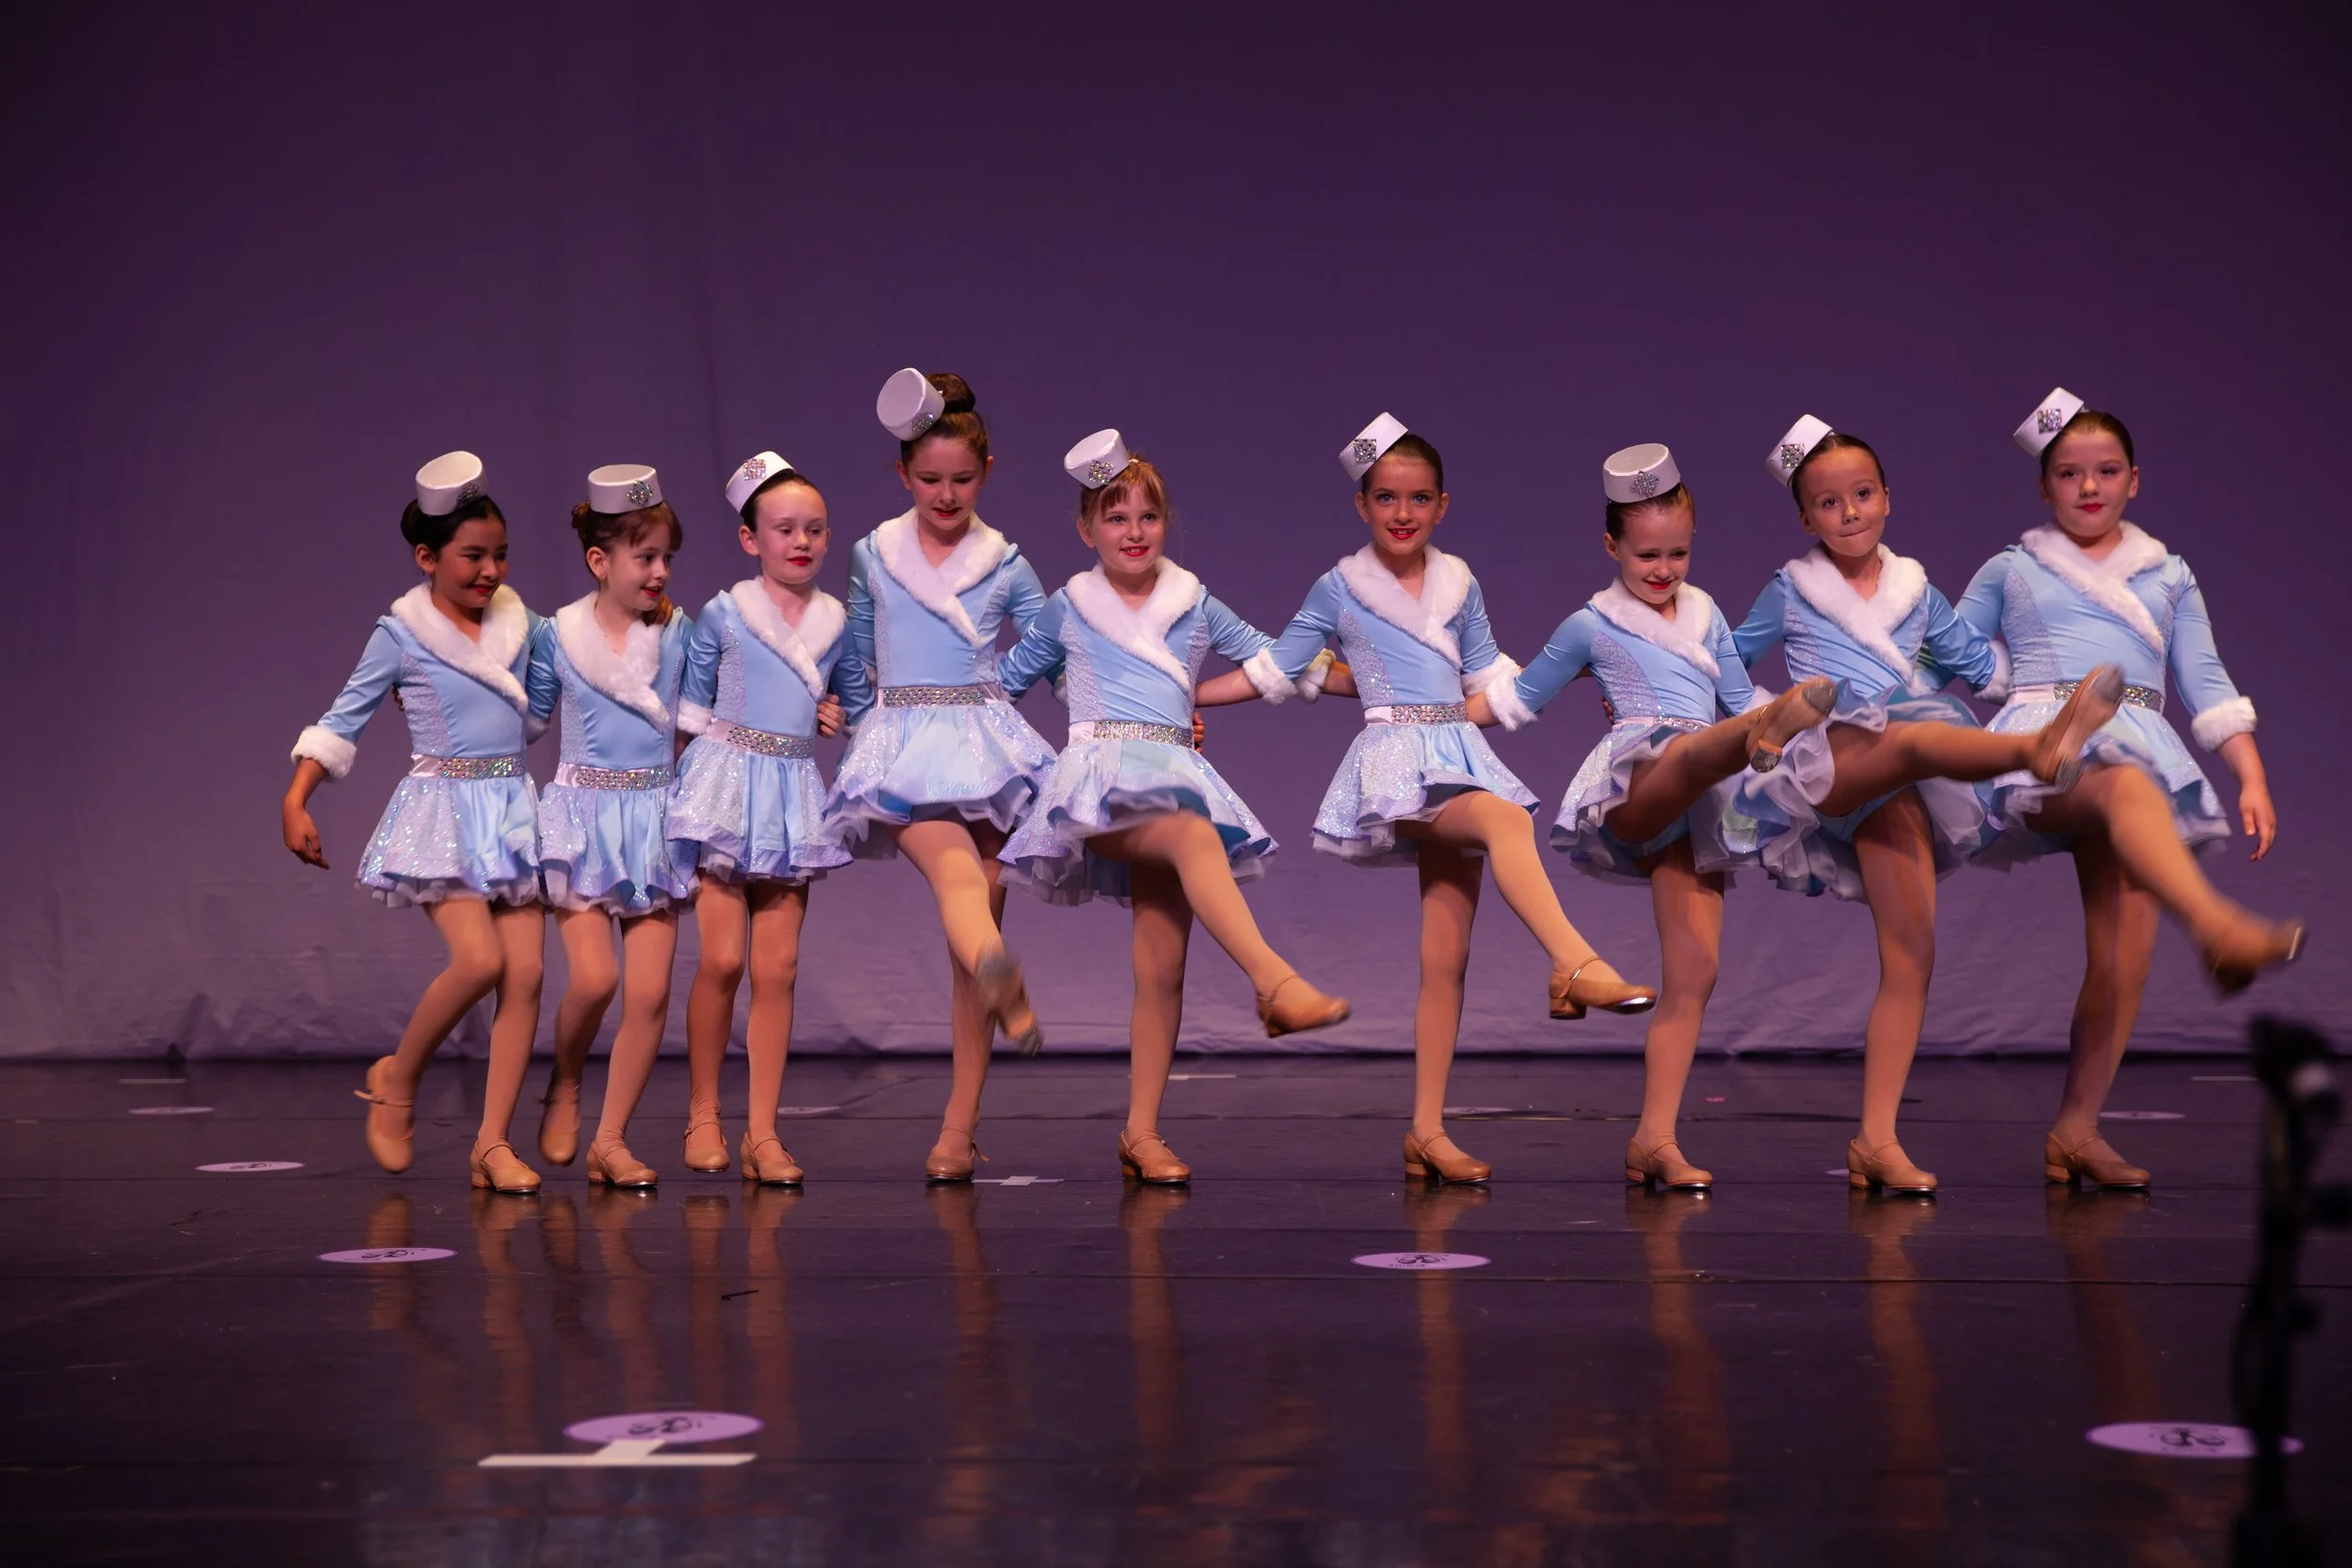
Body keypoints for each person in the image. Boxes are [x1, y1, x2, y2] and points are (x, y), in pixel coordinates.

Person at [282, 451, 552, 1193]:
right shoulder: (401, 633)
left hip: (511, 810)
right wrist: (296, 798)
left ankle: (492, 1144)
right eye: (473, 556)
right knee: (480, 962)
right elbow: (345, 717)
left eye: (500, 554)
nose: (490, 570)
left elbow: (570, 673)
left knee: (527, 974)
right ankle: (398, 1079)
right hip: (442, 814)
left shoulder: (523, 625)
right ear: (427, 558)